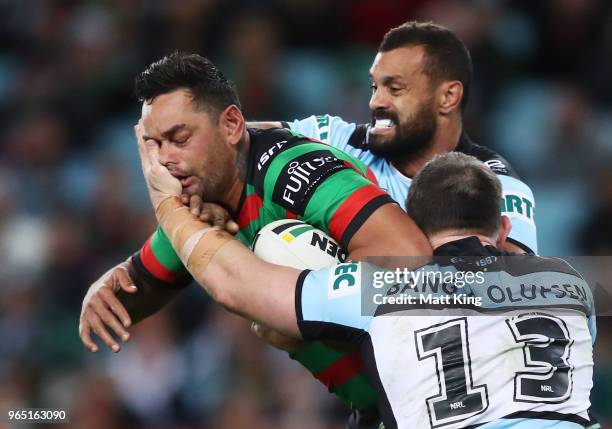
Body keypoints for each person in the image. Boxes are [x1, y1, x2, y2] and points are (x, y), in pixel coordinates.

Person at [138, 143, 595, 429]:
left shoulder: (381, 288)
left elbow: (238, 286)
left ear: (414, 229)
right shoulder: (571, 285)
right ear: (503, 226)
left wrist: (169, 207)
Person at [79, 52, 431, 415]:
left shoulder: (293, 171)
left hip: (428, 397)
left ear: (231, 125)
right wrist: (101, 290)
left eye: (179, 138)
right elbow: (137, 290)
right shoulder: (197, 206)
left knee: (274, 252)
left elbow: (409, 257)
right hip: (379, 408)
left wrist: (302, 306)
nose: (165, 161)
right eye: (154, 145)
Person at [253, 21, 537, 255]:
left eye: (395, 88)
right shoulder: (336, 139)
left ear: (448, 97)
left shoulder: (496, 184)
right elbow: (236, 139)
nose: (376, 101)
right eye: (375, 86)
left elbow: (510, 282)